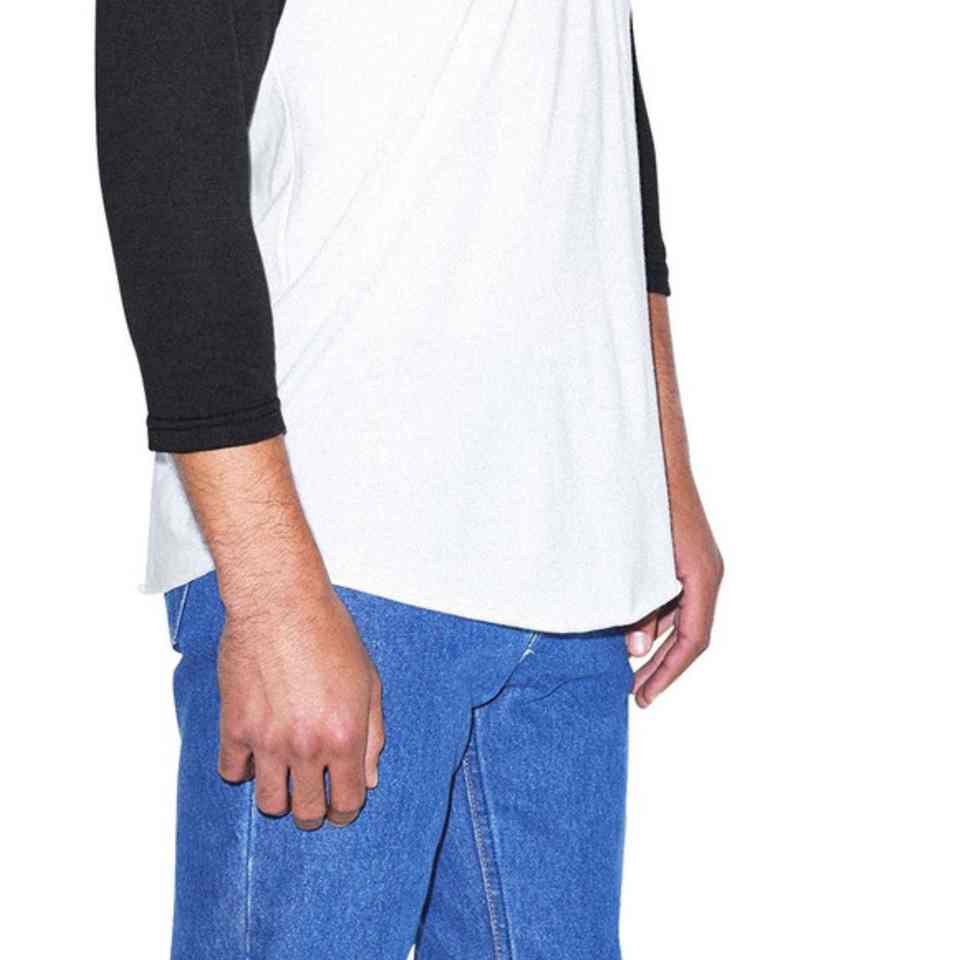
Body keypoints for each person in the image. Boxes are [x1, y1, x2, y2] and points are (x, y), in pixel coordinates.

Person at [96, 1, 723, 957]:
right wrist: (270, 596)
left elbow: (596, 94)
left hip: (572, 551)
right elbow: (162, 125)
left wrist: (660, 460)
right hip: (335, 550)